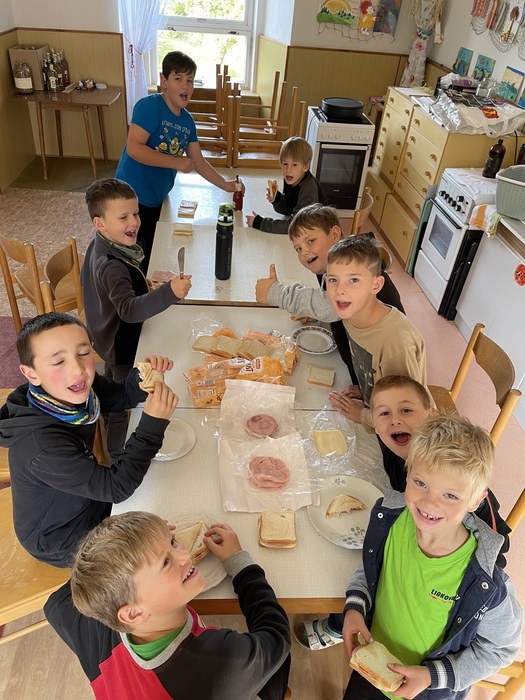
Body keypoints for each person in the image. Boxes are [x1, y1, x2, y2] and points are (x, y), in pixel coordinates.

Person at [294, 376, 511, 650]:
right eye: (384, 414)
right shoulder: (394, 449)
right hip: (406, 547)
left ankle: (338, 625)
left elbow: (493, 556)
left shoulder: (470, 499)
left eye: (406, 410)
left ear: (430, 415)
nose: (395, 421)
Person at [342, 414, 522, 700]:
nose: (429, 502)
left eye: (450, 495)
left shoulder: (485, 583)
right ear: (408, 472)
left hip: (427, 692)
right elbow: (371, 569)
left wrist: (432, 676)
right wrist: (355, 607)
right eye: (421, 483)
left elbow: (500, 649)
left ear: (476, 500)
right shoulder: (390, 520)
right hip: (371, 671)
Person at [44, 511, 291, 699]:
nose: (184, 555)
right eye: (165, 562)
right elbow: (276, 637)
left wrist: (144, 543)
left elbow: (53, 605)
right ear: (133, 613)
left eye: (173, 542)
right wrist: (241, 565)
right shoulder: (222, 662)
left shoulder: (103, 628)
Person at [0, 313, 178, 568]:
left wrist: (142, 378)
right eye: (58, 361)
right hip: (61, 537)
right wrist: (152, 426)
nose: (78, 369)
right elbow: (116, 487)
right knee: (154, 556)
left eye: (84, 353)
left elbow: (120, 396)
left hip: (84, 497)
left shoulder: (72, 389)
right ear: (32, 374)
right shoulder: (43, 447)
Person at [82, 177, 190, 457]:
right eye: (123, 217)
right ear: (100, 223)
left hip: (104, 334)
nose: (134, 222)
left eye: (136, 213)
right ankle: (116, 453)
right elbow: (128, 310)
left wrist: (143, 286)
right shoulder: (112, 266)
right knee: (123, 400)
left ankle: (109, 420)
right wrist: (169, 292)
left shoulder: (101, 245)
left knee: (112, 382)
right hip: (121, 343)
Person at [116, 50, 239, 273]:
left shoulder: (187, 122)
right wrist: (176, 162)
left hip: (156, 199)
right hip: (131, 198)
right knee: (129, 257)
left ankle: (145, 287)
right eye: (178, 79)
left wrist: (225, 184)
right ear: (164, 81)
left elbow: (197, 161)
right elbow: (134, 148)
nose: (185, 86)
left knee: (149, 252)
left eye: (190, 80)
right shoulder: (149, 107)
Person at [255, 204, 404, 384]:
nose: (304, 252)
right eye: (298, 249)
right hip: (359, 367)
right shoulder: (332, 265)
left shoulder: (354, 267)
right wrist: (317, 313)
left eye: (311, 241)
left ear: (334, 234)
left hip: (379, 380)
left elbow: (329, 306)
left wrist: (276, 293)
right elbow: (331, 305)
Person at [325, 233, 426, 423]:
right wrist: (369, 390)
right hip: (376, 406)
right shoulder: (352, 310)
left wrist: (364, 416)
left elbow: (408, 416)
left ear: (376, 285)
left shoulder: (396, 342)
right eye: (333, 280)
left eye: (353, 280)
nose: (339, 290)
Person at [246, 136, 327, 234]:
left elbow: (296, 226)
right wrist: (277, 199)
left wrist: (260, 223)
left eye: (294, 165)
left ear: (306, 166)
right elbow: (289, 209)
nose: (288, 170)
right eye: (285, 164)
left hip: (321, 233)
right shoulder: (292, 178)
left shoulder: (308, 189)